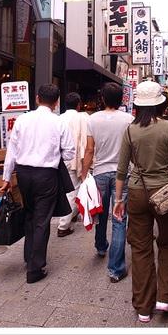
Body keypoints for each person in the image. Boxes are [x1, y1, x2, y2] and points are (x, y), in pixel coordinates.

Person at [112, 81, 168, 323]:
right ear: (161, 104)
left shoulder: (131, 130)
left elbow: (121, 170)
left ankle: (144, 308)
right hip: (164, 192)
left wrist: (118, 200)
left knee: (141, 248)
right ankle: (165, 297)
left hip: (136, 192)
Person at [1, 84, 75, 284]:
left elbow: (12, 151)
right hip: (46, 175)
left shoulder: (22, 120)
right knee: (42, 220)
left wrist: (6, 178)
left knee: (30, 214)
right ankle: (35, 268)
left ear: (36, 98)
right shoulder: (59, 123)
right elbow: (69, 152)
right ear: (57, 102)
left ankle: (29, 256)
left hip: (24, 173)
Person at [80, 82, 133, 283]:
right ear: (121, 99)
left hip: (100, 172)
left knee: (99, 213)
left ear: (102, 99)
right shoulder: (129, 120)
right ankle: (116, 269)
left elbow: (89, 149)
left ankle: (101, 246)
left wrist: (85, 173)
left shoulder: (93, 120)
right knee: (119, 219)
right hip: (123, 175)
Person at [57, 92, 90, 237]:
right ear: (78, 104)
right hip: (78, 159)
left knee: (68, 190)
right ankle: (63, 225)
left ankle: (73, 214)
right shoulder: (83, 118)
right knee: (73, 191)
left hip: (61, 159)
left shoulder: (59, 118)